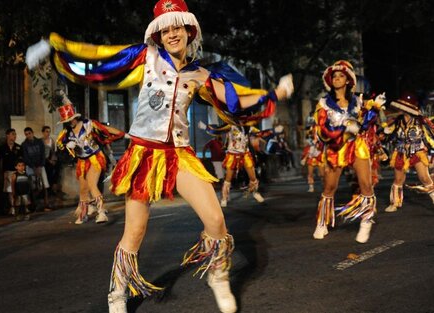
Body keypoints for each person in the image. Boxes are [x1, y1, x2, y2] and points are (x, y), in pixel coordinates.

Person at [26, 1, 293, 311]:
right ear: (158, 35)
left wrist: (276, 95)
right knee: (135, 231)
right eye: (165, 29)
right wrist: (55, 47)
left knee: (216, 220)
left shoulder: (200, 74)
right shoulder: (147, 57)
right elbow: (101, 58)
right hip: (144, 154)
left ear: (189, 30)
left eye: (176, 27)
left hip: (180, 155)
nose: (172, 34)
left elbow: (233, 98)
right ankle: (117, 292)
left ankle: (218, 276)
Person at [312, 60, 386, 243]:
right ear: (330, 81)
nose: (337, 79)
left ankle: (366, 220)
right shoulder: (323, 104)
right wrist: (343, 132)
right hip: (336, 147)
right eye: (334, 76)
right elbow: (322, 130)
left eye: (341, 76)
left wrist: (374, 108)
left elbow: (366, 124)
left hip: (357, 145)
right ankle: (322, 221)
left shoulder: (358, 102)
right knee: (329, 187)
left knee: (366, 185)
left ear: (347, 81)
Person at [56, 93, 125, 225]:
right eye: (67, 121)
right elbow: (62, 148)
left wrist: (123, 134)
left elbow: (106, 129)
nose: (70, 123)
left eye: (71, 119)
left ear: (75, 117)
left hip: (94, 158)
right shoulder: (66, 134)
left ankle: (101, 212)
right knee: (83, 189)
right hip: (82, 161)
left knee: (93, 185)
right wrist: (68, 146)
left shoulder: (88, 125)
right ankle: (83, 214)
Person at [382, 92, 434, 212]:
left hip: (417, 151)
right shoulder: (396, 121)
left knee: (424, 178)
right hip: (400, 152)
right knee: (398, 179)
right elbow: (386, 136)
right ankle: (394, 203)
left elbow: (432, 133)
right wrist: (384, 131)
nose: (399, 109)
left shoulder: (421, 121)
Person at [21, 127, 51, 212]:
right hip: (30, 167)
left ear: (32, 133)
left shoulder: (39, 142)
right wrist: (33, 167)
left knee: (45, 185)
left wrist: (40, 166)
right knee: (33, 186)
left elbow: (42, 154)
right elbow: (26, 157)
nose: (28, 135)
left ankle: (46, 204)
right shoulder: (24, 144)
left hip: (40, 166)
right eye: (26, 134)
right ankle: (34, 204)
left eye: (29, 133)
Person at [0, 128, 23, 216]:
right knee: (9, 191)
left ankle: (18, 207)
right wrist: (1, 172)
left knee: (17, 190)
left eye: (15, 134)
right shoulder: (2, 148)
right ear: (7, 135)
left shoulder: (18, 147)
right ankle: (12, 207)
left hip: (16, 172)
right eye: (12, 134)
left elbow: (21, 161)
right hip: (7, 172)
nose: (14, 136)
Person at [300, 125, 324, 193]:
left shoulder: (320, 138)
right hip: (311, 157)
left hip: (319, 156)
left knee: (322, 174)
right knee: (310, 173)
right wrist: (304, 157)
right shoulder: (308, 139)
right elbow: (307, 149)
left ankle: (324, 185)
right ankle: (311, 186)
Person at [41, 125, 60, 196]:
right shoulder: (41, 141)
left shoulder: (52, 140)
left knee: (56, 169)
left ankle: (53, 188)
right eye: (46, 131)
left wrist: (53, 160)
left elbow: (53, 151)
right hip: (44, 161)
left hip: (51, 159)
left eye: (49, 132)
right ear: (43, 132)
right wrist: (48, 160)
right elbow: (42, 154)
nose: (48, 133)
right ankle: (47, 190)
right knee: (48, 172)